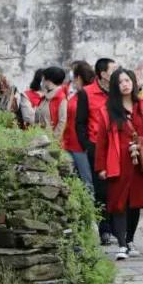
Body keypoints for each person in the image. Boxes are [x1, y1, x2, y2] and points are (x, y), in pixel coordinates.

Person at [95, 68, 143, 261]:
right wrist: (101, 167)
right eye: (120, 81)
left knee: (135, 204)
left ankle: (129, 239)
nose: (125, 84)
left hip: (140, 162)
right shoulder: (107, 111)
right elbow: (101, 141)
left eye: (128, 80)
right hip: (118, 161)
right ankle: (121, 244)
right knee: (119, 203)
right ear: (115, 85)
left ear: (133, 83)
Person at [76, 57, 117, 244]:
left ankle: (118, 227)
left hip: (118, 146)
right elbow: (80, 123)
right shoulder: (86, 93)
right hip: (96, 148)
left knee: (117, 187)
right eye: (113, 70)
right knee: (101, 190)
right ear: (103, 74)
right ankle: (104, 229)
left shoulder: (119, 91)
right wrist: (88, 146)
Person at [62, 61, 95, 193]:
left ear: (79, 77)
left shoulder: (88, 94)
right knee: (71, 182)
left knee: (87, 182)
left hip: (81, 146)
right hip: (68, 143)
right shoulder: (75, 94)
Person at [36, 66, 68, 137]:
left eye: (44, 78)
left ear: (49, 80)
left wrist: (53, 140)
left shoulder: (61, 98)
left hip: (50, 142)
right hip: (39, 138)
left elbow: (62, 122)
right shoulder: (45, 97)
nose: (42, 81)